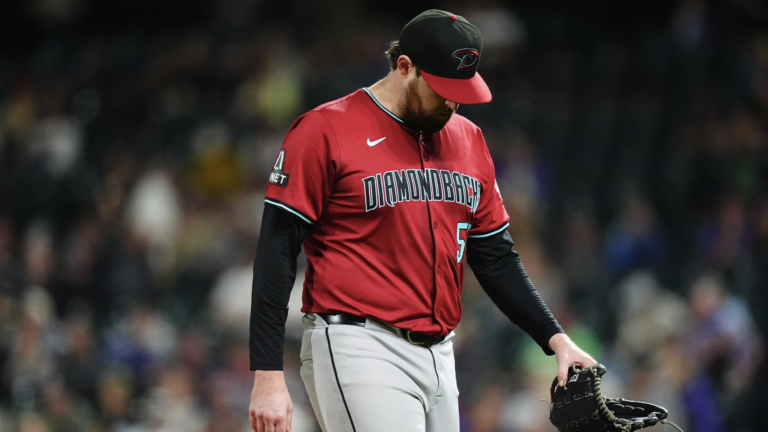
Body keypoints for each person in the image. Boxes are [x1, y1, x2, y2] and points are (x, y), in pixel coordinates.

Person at [248, 9, 596, 432]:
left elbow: (495, 257)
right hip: (358, 343)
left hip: (440, 353)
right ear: (405, 66)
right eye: (443, 89)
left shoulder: (469, 139)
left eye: (462, 90)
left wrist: (555, 339)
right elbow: (276, 250)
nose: (453, 102)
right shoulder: (325, 130)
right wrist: (267, 374)